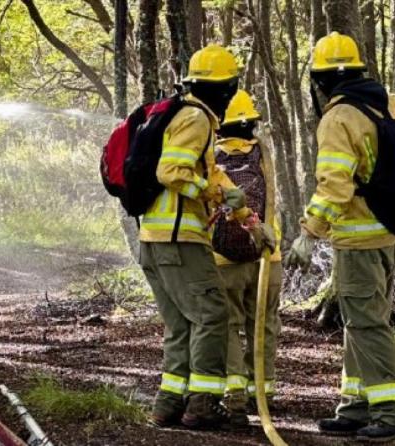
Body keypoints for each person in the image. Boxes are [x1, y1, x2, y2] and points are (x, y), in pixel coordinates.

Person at [285, 32, 395, 442]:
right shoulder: (384, 103)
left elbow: (335, 186)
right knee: (358, 322)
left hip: (358, 237)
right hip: (386, 231)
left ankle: (390, 411)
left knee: (367, 324)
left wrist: (308, 234)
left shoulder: (338, 118)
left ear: (322, 81)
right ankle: (355, 406)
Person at [141, 44, 254, 430]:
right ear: (224, 89)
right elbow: (171, 172)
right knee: (212, 314)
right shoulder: (196, 119)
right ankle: (202, 402)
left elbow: (212, 176)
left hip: (155, 239)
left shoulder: (184, 115)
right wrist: (213, 195)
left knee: (181, 323)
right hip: (180, 239)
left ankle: (168, 402)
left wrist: (248, 218)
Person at [210, 90, 281, 427]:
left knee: (228, 326)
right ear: (250, 122)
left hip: (223, 259)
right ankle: (263, 393)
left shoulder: (210, 158)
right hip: (267, 253)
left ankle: (234, 396)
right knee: (263, 325)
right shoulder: (265, 154)